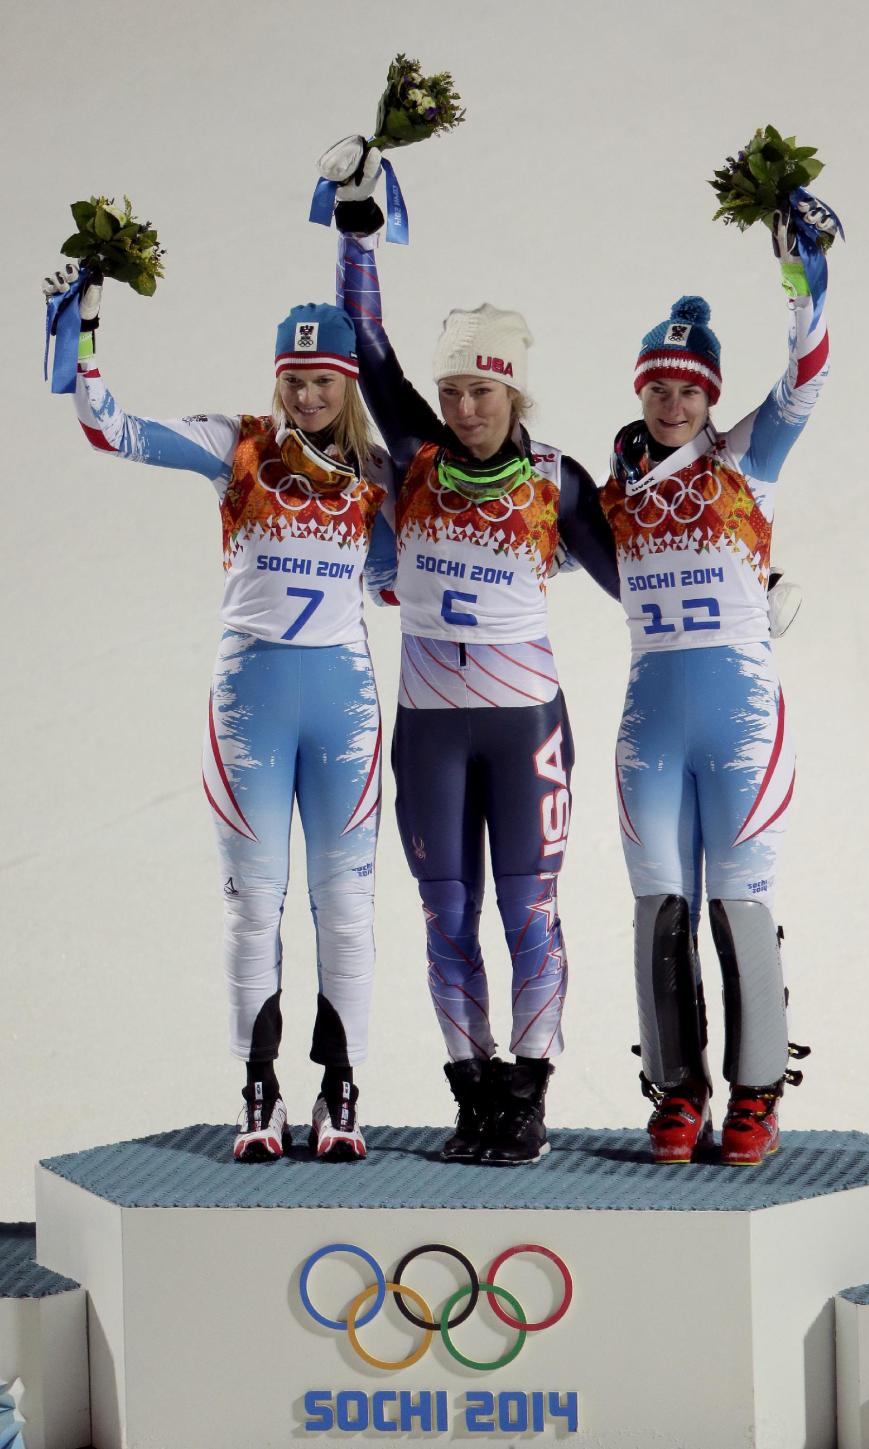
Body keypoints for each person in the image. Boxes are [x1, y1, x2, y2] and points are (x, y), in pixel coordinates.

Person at [43, 262, 396, 1163]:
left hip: (343, 704)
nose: (308, 393)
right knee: (252, 905)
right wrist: (82, 327)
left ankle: (341, 1089)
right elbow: (109, 430)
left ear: (346, 386)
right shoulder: (237, 444)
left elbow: (420, 577)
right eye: (294, 378)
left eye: (324, 380)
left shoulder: (378, 473)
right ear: (276, 379)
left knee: (345, 907)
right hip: (250, 703)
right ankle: (259, 1089)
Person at [317, 136, 620, 1165]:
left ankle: (530, 1092)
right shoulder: (414, 451)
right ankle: (473, 1089)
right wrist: (358, 231)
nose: (462, 408)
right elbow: (366, 350)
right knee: (446, 911)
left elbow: (638, 577)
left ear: (514, 395)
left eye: (482, 394)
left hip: (526, 722)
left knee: (531, 907)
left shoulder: (557, 476)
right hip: (432, 732)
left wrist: (751, 590)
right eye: (452, 393)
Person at [599, 199, 836, 1165]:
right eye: (659, 387)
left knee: (741, 903)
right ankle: (675, 1090)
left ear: (709, 398)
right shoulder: (614, 491)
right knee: (659, 906)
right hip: (651, 721)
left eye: (689, 392)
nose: (672, 404)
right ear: (642, 390)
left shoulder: (746, 458)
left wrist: (802, 277)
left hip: (738, 716)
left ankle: (755, 1095)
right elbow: (531, 539)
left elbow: (809, 374)